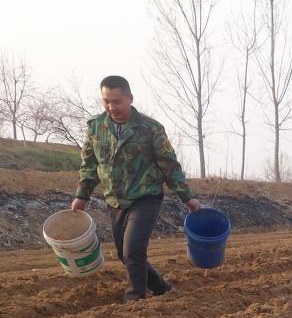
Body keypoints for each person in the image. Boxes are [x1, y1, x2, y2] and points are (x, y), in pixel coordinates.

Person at [71, 75, 201, 302]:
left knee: (133, 251)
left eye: (117, 101)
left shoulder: (150, 128)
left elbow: (169, 165)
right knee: (125, 254)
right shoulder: (95, 128)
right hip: (115, 199)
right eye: (106, 101)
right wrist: (82, 195)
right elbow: (89, 165)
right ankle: (162, 288)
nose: (112, 107)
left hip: (146, 196)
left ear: (130, 98)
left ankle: (136, 298)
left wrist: (187, 197)